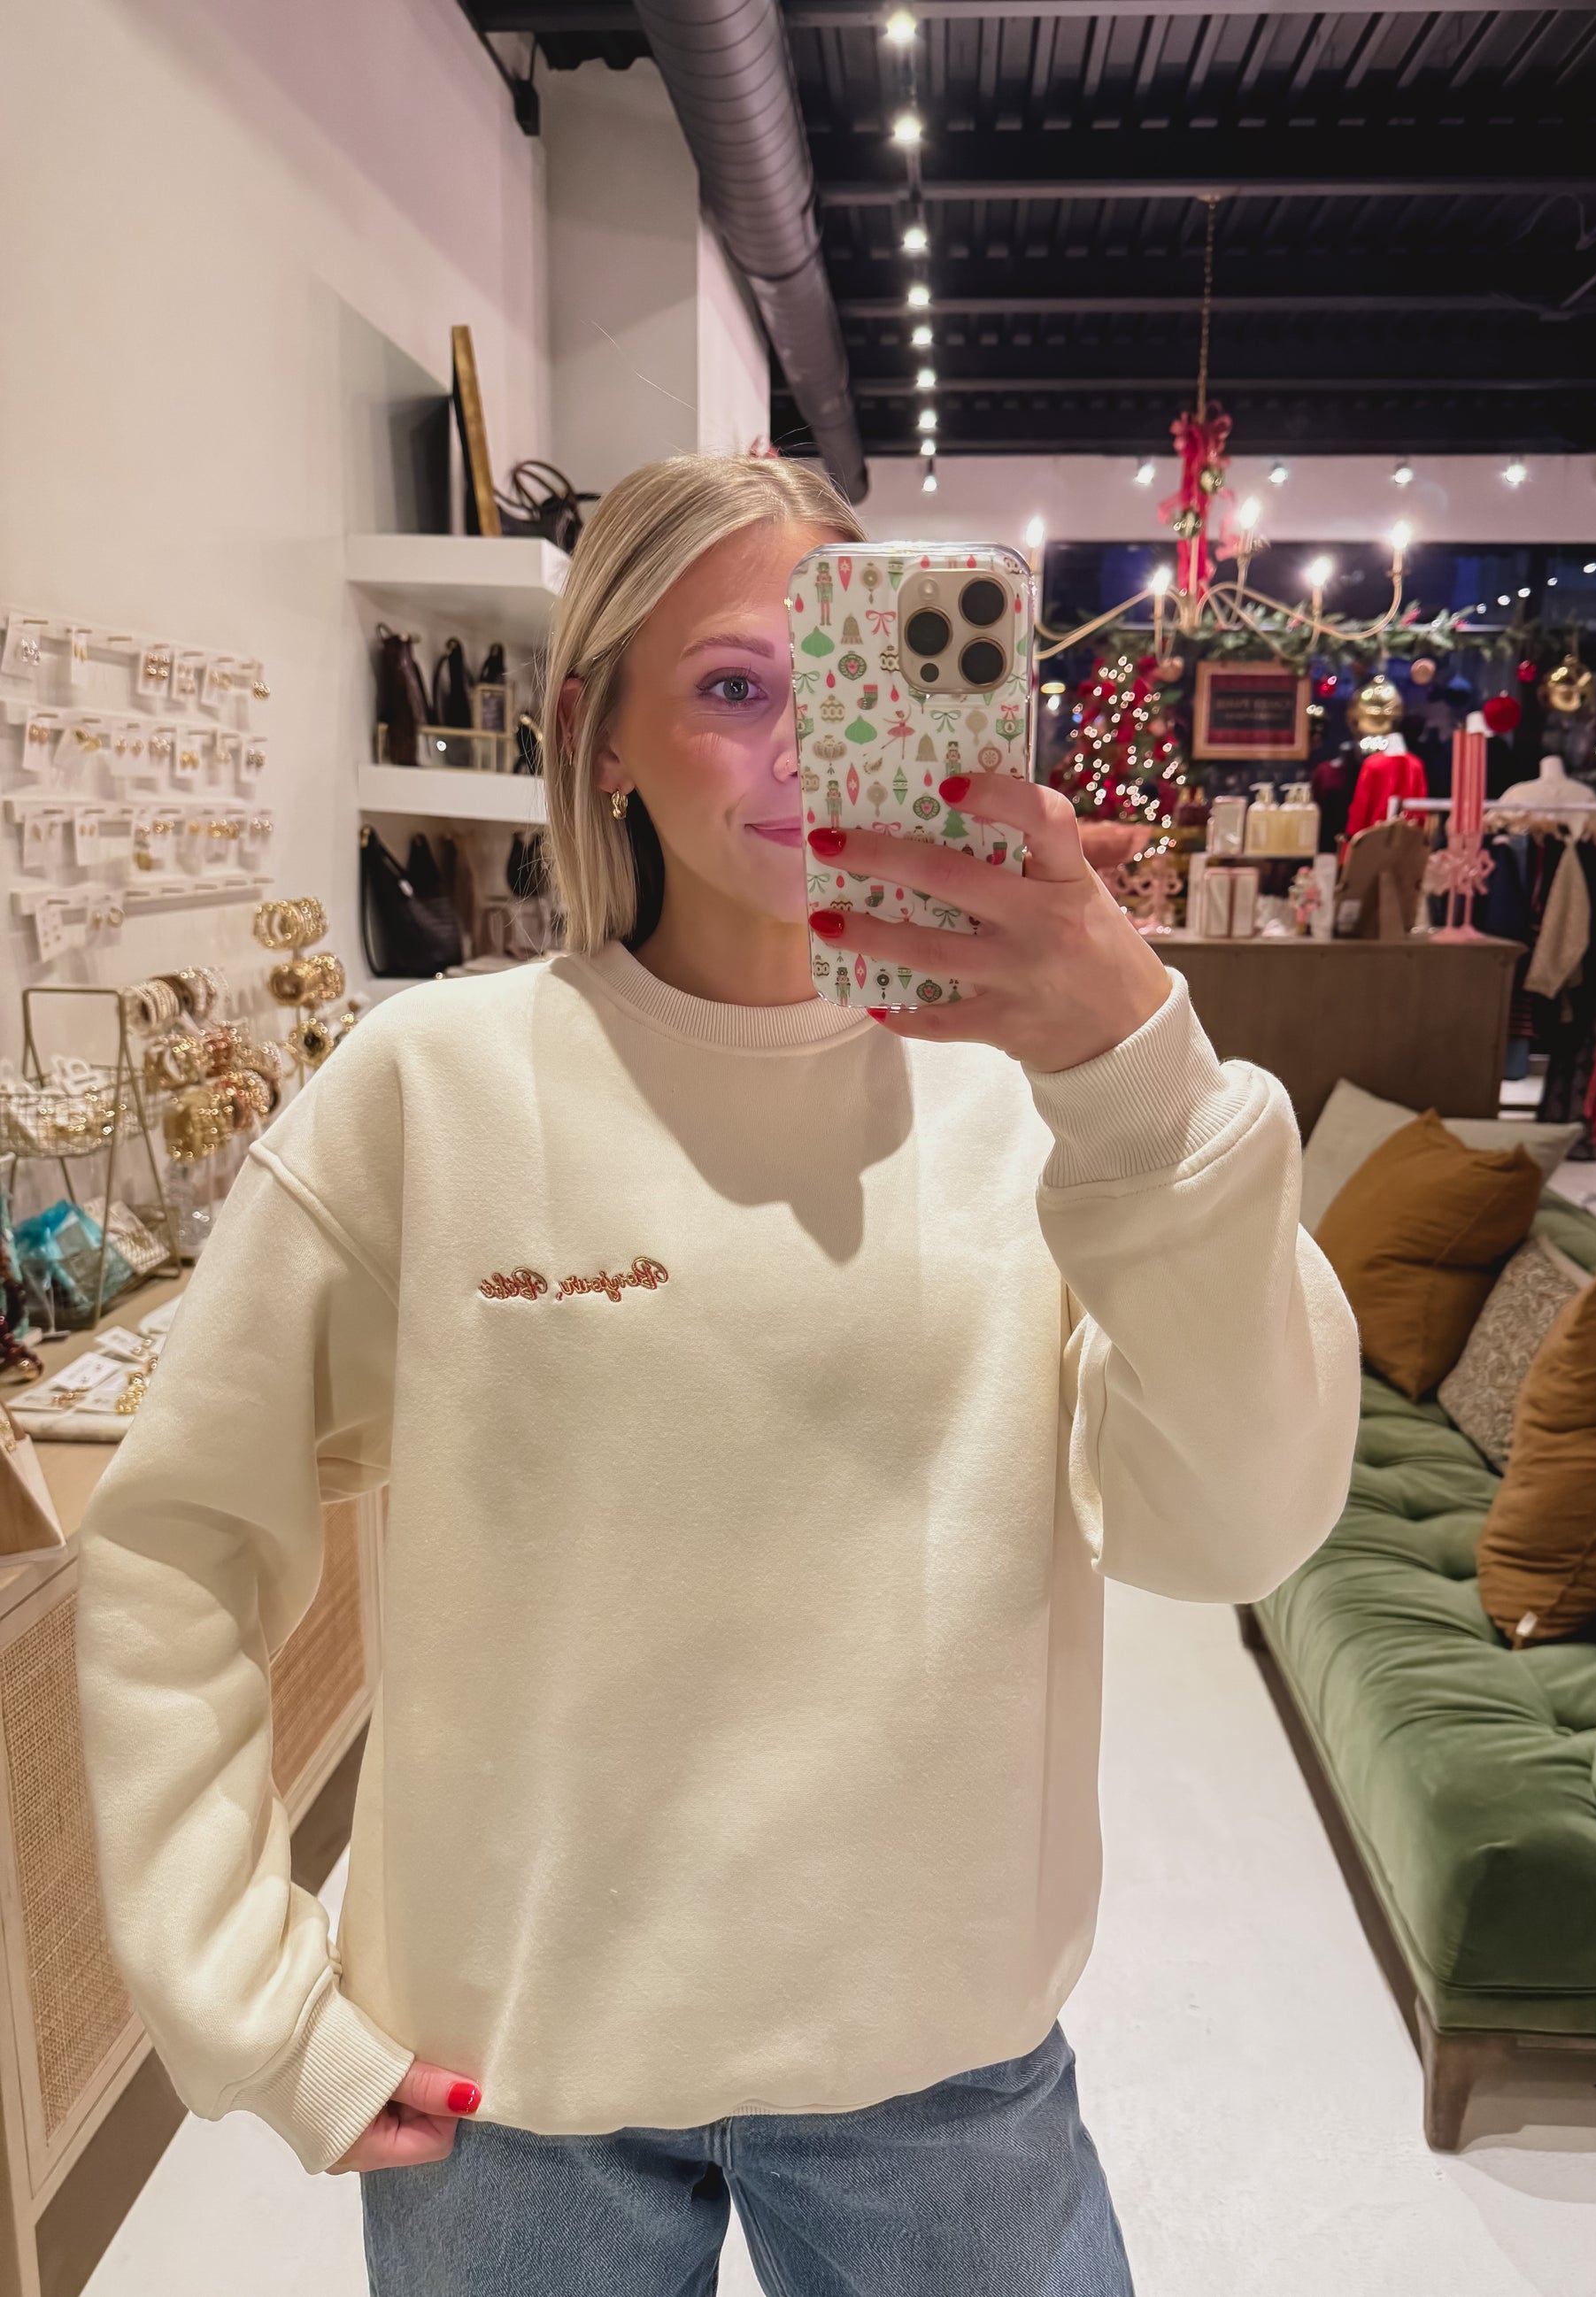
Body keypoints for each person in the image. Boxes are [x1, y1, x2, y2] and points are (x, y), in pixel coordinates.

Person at [75, 452, 1360, 2294]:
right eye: (734, 683)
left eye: (850, 674)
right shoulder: (432, 1088)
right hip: (514, 2083)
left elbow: (1233, 1526)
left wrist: (1141, 1070)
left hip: (941, 2068)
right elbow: (179, 1541)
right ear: (598, 731)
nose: (800, 742)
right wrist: (245, 2001)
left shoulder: (1042, 1101)